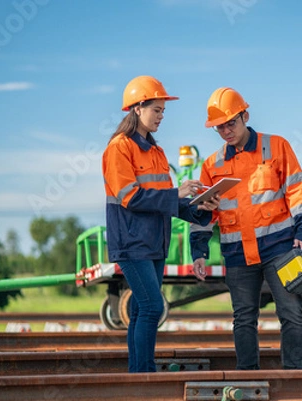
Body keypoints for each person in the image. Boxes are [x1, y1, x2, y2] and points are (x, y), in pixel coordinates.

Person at [190, 87, 302, 370]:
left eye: (230, 123)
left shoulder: (277, 146)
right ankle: (247, 377)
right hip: (237, 255)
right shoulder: (212, 165)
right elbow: (204, 213)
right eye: (219, 128)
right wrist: (199, 251)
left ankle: (295, 373)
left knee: (291, 314)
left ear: (245, 115)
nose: (226, 132)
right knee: (243, 318)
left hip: (280, 249)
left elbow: (297, 191)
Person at [102, 75, 219, 373]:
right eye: (157, 109)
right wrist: (175, 193)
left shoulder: (155, 151)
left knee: (142, 309)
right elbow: (131, 197)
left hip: (154, 243)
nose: (161, 116)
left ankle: (137, 375)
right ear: (138, 108)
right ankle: (146, 374)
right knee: (153, 307)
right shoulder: (119, 148)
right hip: (131, 243)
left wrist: (199, 207)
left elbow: (167, 201)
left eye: (163, 111)